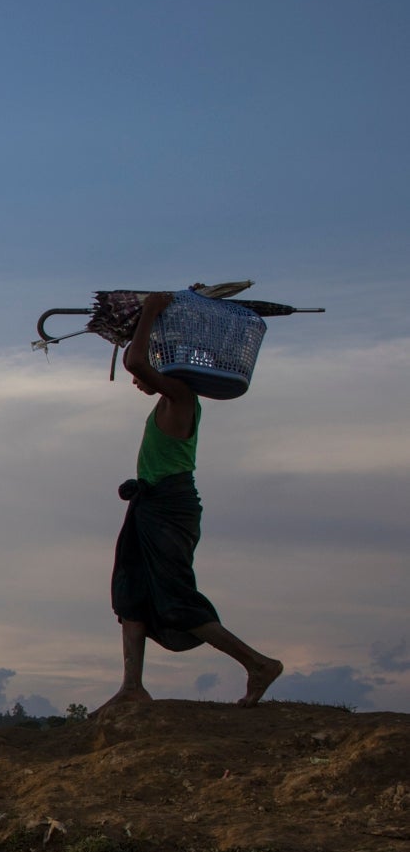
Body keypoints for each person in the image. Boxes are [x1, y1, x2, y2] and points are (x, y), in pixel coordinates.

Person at [99, 291, 284, 713]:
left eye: (148, 369)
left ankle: (258, 664)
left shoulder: (180, 395)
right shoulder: (170, 399)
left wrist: (150, 310)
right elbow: (137, 363)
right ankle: (132, 686)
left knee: (176, 598)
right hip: (149, 506)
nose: (135, 379)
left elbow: (135, 361)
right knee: (132, 590)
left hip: (170, 507)